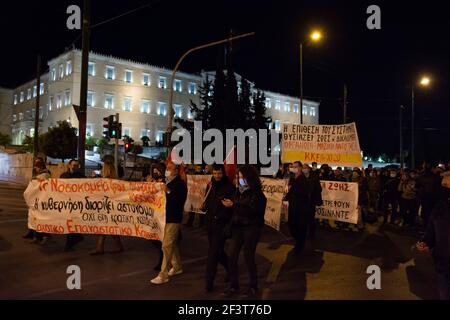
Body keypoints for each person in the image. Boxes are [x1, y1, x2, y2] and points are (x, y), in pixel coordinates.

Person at [220, 165, 266, 298]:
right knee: (232, 255)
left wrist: (234, 205)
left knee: (248, 256)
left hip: (251, 228)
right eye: (238, 177)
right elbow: (236, 211)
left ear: (249, 178)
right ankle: (234, 285)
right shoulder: (237, 192)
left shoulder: (257, 194)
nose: (239, 179)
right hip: (238, 228)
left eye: (242, 177)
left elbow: (252, 212)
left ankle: (253, 286)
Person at [151, 162, 188, 285]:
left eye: (169, 169)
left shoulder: (180, 184)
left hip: (173, 218)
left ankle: (163, 274)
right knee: (172, 243)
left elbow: (179, 200)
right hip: (164, 217)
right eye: (166, 168)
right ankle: (177, 267)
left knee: (166, 245)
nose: (167, 170)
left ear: (176, 171)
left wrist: (168, 191)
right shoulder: (165, 181)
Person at [415, 173, 450, 300]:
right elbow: (431, 230)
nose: (444, 189)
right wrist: (426, 242)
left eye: (447, 186)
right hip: (443, 259)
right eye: (443, 186)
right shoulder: (440, 207)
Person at [203, 164, 235, 293]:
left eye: (219, 173)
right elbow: (208, 204)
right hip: (210, 225)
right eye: (215, 173)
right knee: (219, 252)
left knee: (213, 254)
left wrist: (230, 206)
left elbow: (233, 208)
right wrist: (203, 207)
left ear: (223, 173)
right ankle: (231, 268)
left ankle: (209, 282)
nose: (217, 176)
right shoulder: (210, 186)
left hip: (221, 226)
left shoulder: (230, 188)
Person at [285, 161, 322, 253]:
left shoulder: (304, 178)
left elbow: (308, 190)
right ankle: (299, 240)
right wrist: (286, 196)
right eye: (292, 166)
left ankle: (299, 245)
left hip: (302, 207)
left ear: (300, 168)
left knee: (301, 226)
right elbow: (290, 190)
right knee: (291, 224)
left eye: (295, 166)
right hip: (292, 206)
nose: (293, 168)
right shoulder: (292, 178)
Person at [89, 161, 124, 255]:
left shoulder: (105, 181)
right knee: (106, 227)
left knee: (105, 227)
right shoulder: (116, 181)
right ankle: (101, 247)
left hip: (106, 207)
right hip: (111, 207)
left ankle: (102, 248)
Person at [24, 157, 52, 244]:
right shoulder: (39, 174)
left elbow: (42, 187)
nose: (35, 168)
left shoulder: (45, 174)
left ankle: (45, 237)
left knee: (42, 220)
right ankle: (36, 235)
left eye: (36, 167)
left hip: (42, 200)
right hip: (36, 200)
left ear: (39, 167)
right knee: (35, 218)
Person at [60, 159, 86, 251]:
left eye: (77, 165)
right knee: (69, 223)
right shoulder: (63, 176)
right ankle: (77, 237)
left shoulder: (81, 177)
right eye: (74, 165)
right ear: (69, 165)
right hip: (66, 203)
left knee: (71, 223)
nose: (76, 167)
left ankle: (69, 244)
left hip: (77, 204)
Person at [147, 162, 166, 271]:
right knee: (152, 237)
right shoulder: (152, 180)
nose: (155, 172)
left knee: (162, 240)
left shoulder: (166, 181)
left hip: (163, 214)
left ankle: (164, 261)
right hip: (154, 213)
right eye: (153, 170)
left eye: (157, 170)